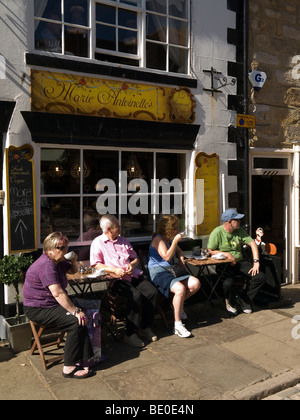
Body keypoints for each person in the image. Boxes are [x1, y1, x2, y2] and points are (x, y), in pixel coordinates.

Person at [23, 232, 94, 379]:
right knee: (76, 321)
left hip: (51, 303)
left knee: (86, 311)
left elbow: (73, 271)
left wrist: (74, 260)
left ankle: (86, 358)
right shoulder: (46, 265)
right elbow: (58, 293)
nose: (64, 251)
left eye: (66, 247)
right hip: (38, 308)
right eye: (59, 248)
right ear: (49, 249)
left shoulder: (58, 261)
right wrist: (75, 311)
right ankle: (69, 367)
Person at [90, 215, 159, 348]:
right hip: (115, 280)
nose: (120, 228)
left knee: (152, 292)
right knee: (135, 296)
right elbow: (96, 265)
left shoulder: (123, 240)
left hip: (132, 275)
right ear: (109, 229)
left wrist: (131, 265)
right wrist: (114, 270)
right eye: (118, 226)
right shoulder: (98, 242)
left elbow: (134, 259)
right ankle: (130, 334)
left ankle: (145, 327)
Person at [148, 215, 201, 338]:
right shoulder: (159, 239)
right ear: (168, 229)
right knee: (180, 289)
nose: (177, 231)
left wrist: (181, 259)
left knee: (195, 283)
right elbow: (166, 257)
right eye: (175, 228)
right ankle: (177, 325)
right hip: (158, 272)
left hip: (171, 271)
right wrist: (176, 241)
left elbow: (179, 251)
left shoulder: (168, 239)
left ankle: (177, 304)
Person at [207, 209, 266, 315]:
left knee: (260, 277)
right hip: (223, 264)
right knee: (229, 282)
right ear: (229, 221)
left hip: (239, 262)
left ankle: (243, 299)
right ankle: (230, 301)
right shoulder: (217, 232)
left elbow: (252, 243)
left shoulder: (239, 231)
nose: (240, 222)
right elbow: (210, 250)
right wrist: (227, 255)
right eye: (237, 220)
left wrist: (256, 262)